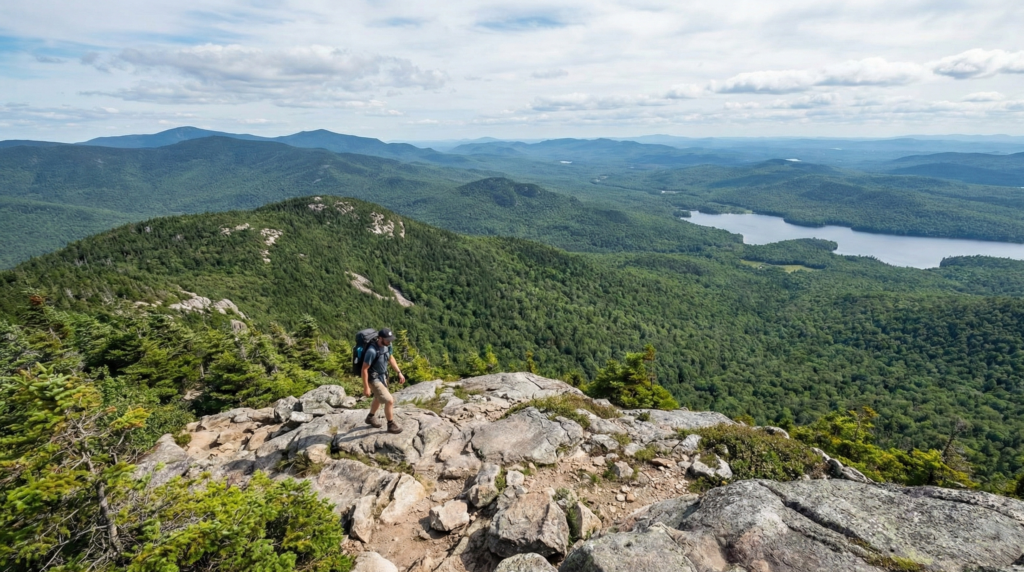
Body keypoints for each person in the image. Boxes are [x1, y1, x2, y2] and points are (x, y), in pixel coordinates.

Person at [362, 328, 406, 434]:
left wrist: (399, 372)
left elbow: (390, 358)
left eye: (390, 339)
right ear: (380, 338)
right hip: (373, 379)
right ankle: (390, 425)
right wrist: (366, 387)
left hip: (383, 377)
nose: (389, 341)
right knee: (389, 400)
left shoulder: (387, 346)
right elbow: (364, 369)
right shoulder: (372, 351)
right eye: (387, 339)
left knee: (378, 397)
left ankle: (370, 417)